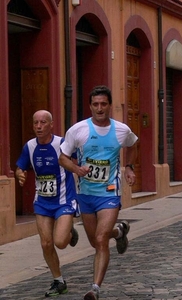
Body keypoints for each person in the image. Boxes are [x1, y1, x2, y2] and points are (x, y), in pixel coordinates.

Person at [58, 85, 138, 300]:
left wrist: (129, 167)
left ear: (110, 106)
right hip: (85, 193)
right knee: (96, 241)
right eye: (96, 104)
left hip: (110, 192)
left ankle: (95, 289)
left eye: (104, 104)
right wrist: (76, 169)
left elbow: (133, 145)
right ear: (90, 106)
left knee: (101, 238)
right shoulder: (78, 130)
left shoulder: (121, 130)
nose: (100, 108)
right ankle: (120, 231)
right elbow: (62, 157)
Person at [15, 110, 79, 297]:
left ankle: (68, 230)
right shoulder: (30, 146)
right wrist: (20, 174)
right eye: (36, 123)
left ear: (51, 125)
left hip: (64, 199)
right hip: (42, 201)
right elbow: (21, 166)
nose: (39, 126)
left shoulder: (61, 144)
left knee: (60, 242)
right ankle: (59, 281)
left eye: (43, 122)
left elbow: (79, 158)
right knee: (46, 243)